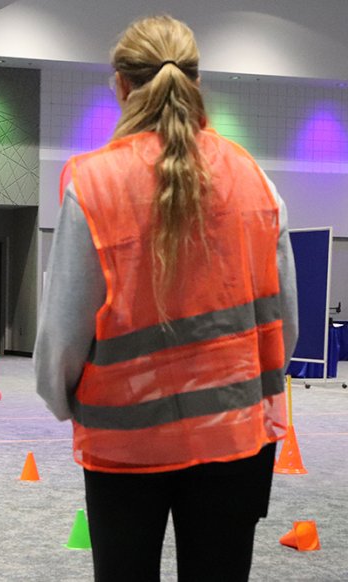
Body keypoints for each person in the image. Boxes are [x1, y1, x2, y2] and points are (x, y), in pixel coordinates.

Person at [33, 16, 299, 582]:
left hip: (126, 443)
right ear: (197, 84)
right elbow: (285, 322)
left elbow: (63, 333)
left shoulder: (94, 183)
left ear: (122, 86)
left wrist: (61, 400)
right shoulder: (256, 181)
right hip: (237, 437)